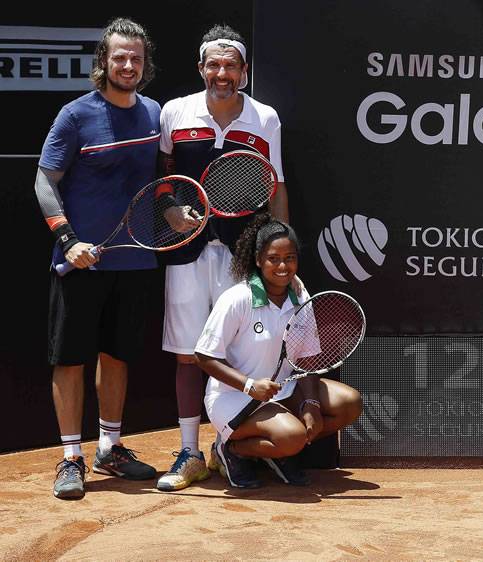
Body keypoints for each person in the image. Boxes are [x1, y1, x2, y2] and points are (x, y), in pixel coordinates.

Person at [154, 24, 291, 492]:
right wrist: (170, 209)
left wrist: (283, 249)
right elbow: (164, 174)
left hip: (241, 254)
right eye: (214, 64)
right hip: (187, 251)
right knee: (190, 356)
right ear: (200, 69)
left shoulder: (265, 118)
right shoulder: (174, 112)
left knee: (237, 355)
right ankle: (190, 452)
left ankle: (226, 447)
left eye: (231, 65)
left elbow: (275, 186)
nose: (222, 73)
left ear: (245, 72)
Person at [36, 17, 160, 499]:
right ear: (103, 62)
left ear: (145, 63)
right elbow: (46, 182)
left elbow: (155, 185)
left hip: (135, 261)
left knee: (118, 356)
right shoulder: (75, 115)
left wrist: (173, 212)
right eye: (119, 57)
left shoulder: (153, 112)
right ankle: (72, 456)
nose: (128, 65)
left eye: (136, 57)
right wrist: (68, 240)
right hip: (80, 261)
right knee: (70, 360)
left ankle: (110, 447)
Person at [195, 214, 363, 488]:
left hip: (283, 392)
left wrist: (311, 404)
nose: (283, 266)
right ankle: (230, 451)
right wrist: (249, 386)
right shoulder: (238, 298)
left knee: (349, 403)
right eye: (274, 258)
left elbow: (307, 359)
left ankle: (277, 453)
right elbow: (203, 356)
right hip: (233, 398)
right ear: (259, 260)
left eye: (290, 258)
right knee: (294, 437)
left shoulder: (300, 295)